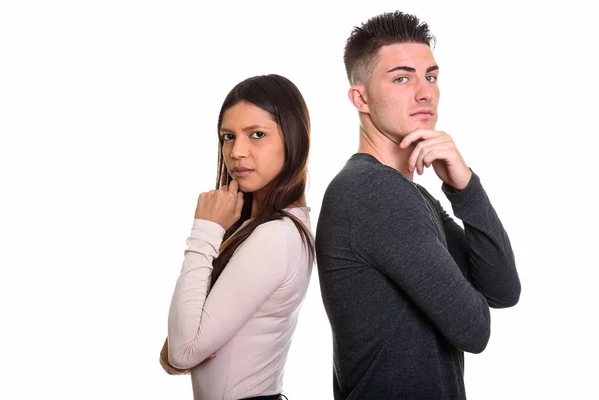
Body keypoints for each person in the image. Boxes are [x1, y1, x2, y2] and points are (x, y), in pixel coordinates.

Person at [315, 11, 521, 399]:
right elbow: (475, 330)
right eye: (401, 78)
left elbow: (503, 289)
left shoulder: (412, 195)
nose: (425, 91)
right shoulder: (372, 192)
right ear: (360, 97)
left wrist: (465, 185)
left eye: (431, 76)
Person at [160, 74, 314, 400]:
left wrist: (205, 229)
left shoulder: (276, 235)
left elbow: (181, 352)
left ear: (293, 138)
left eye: (257, 135)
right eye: (228, 137)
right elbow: (177, 349)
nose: (237, 152)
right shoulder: (259, 227)